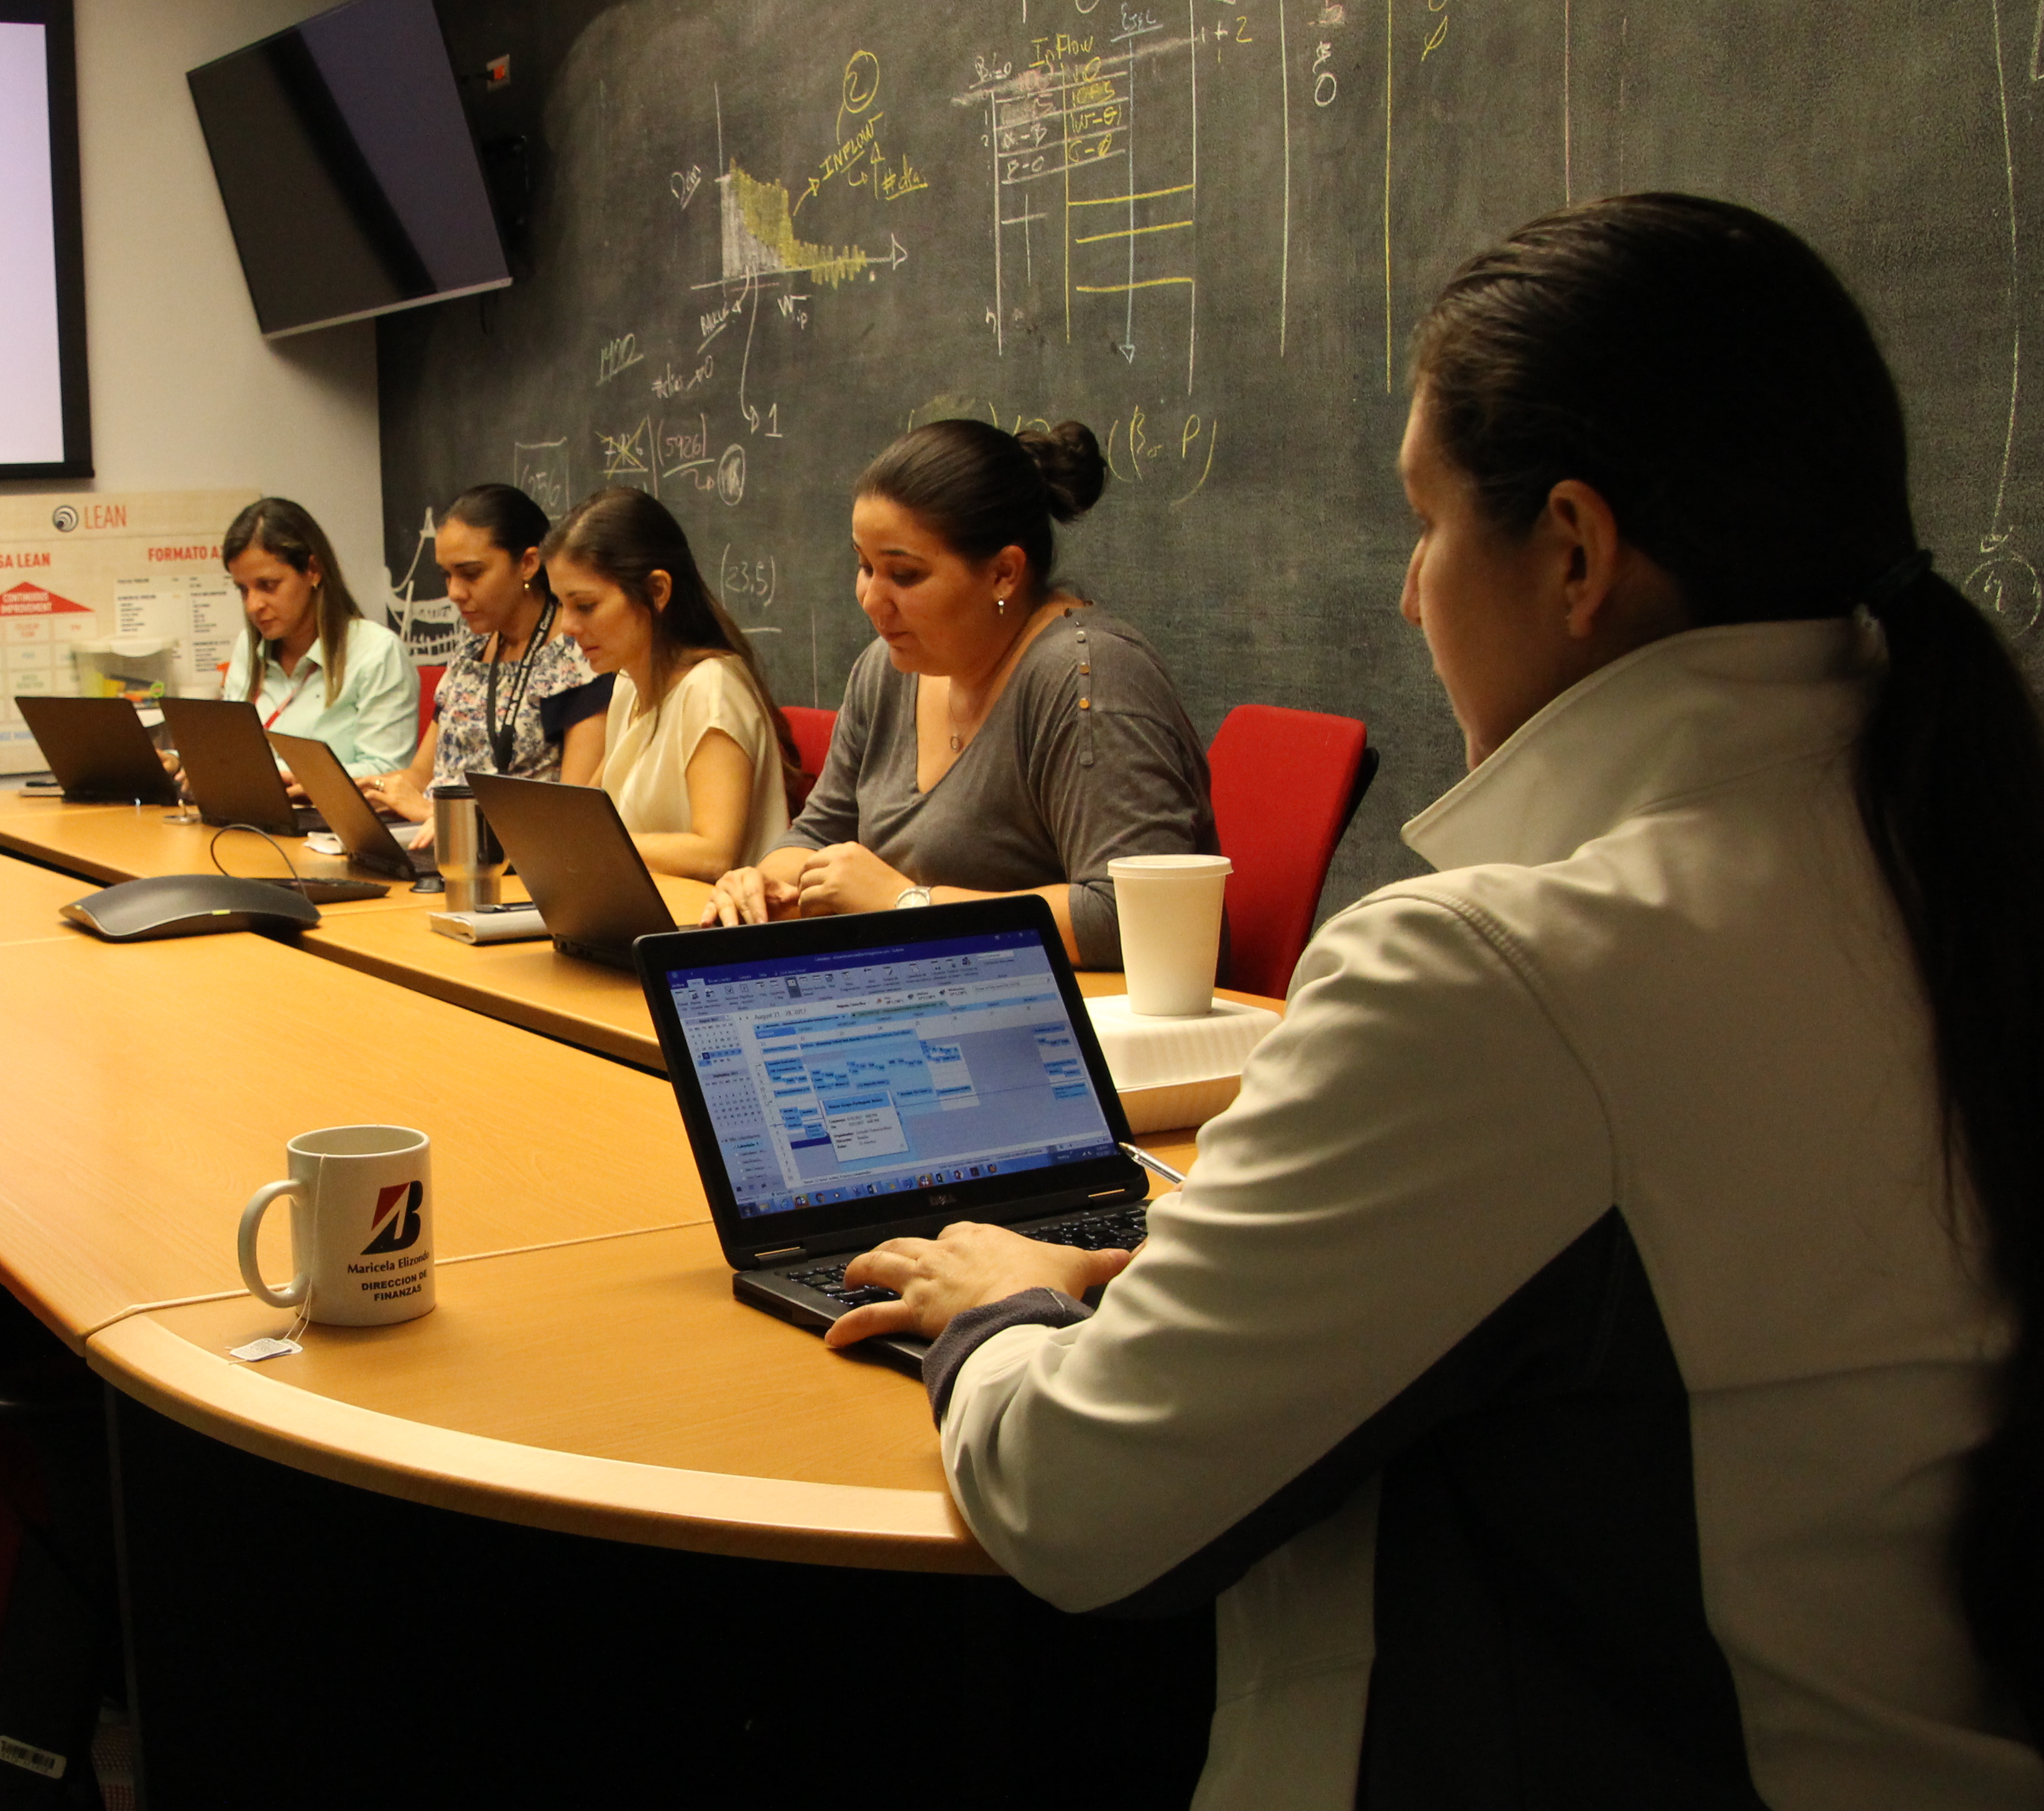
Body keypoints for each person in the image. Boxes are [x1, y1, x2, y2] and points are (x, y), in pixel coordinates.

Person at [824, 195, 2044, 1804]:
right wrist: (1171, 1282)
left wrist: (998, 1311)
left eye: (1424, 525)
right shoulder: (1953, 864)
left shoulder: (1502, 975)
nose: (1407, 596)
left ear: (1574, 553)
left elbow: (1081, 1499)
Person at [701, 419, 1211, 968]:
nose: (871, 599)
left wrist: (907, 905)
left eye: (904, 574)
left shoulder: (1089, 678)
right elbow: (820, 831)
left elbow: (1136, 915)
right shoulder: (886, 668)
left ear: (1003, 574)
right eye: (865, 566)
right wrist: (762, 884)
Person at [545, 487, 791, 879]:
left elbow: (714, 854)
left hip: (708, 915)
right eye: (561, 605)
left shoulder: (711, 690)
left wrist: (588, 840)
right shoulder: (627, 685)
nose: (568, 627)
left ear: (657, 591)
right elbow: (585, 816)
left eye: (585, 606)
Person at [361, 483, 611, 822]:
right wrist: (355, 791)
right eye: (447, 575)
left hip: (500, 847)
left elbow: (572, 816)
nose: (454, 592)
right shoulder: (472, 647)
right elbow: (420, 777)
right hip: (431, 833)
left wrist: (439, 817)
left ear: (528, 563)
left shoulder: (581, 658)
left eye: (471, 574)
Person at [215, 496, 417, 785]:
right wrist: (180, 761)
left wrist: (293, 776)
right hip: (258, 808)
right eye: (243, 590)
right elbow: (232, 751)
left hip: (333, 813)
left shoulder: (377, 652)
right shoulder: (247, 647)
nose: (253, 606)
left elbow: (388, 771)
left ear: (313, 570)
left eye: (268, 586)